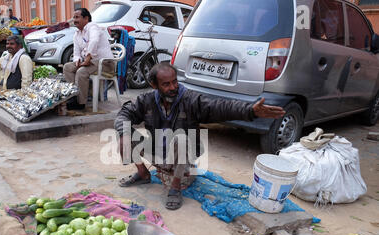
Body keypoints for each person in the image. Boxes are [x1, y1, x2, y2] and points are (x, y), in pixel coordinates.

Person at [114, 62, 286, 210]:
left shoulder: (190, 99)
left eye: (175, 82)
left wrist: (250, 110)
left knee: (181, 138)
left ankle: (175, 187)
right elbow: (123, 115)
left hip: (183, 160)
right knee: (124, 134)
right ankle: (143, 174)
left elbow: (220, 106)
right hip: (159, 153)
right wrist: (124, 133)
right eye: (166, 84)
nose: (173, 87)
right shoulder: (146, 100)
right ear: (154, 85)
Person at [63, 8, 114, 110]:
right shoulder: (77, 34)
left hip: (104, 63)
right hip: (90, 62)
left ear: (86, 18)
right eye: (74, 17)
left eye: (77, 17)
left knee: (81, 72)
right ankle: (73, 97)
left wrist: (88, 57)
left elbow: (94, 41)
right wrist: (77, 60)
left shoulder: (92, 27)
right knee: (67, 67)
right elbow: (76, 52)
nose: (74, 20)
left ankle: (81, 103)